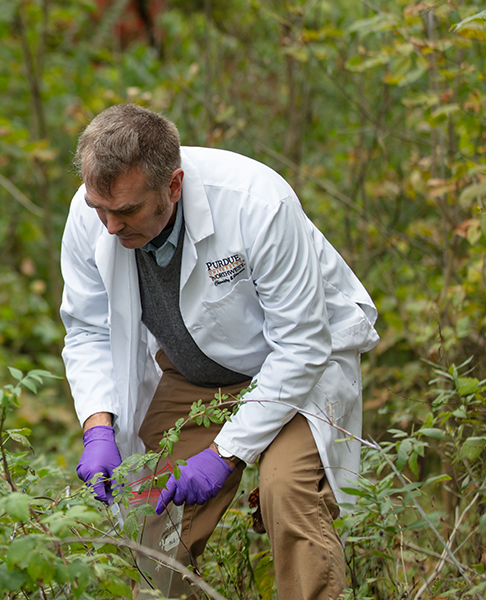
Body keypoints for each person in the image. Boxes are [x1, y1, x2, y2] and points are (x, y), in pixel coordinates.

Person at [61, 103, 379, 599]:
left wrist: (226, 453)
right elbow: (87, 331)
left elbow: (300, 343)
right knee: (147, 507)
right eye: (98, 208)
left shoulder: (256, 202)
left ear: (173, 185)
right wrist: (98, 427)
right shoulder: (94, 214)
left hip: (297, 370)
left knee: (287, 491)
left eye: (125, 211)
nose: (109, 227)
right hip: (194, 375)